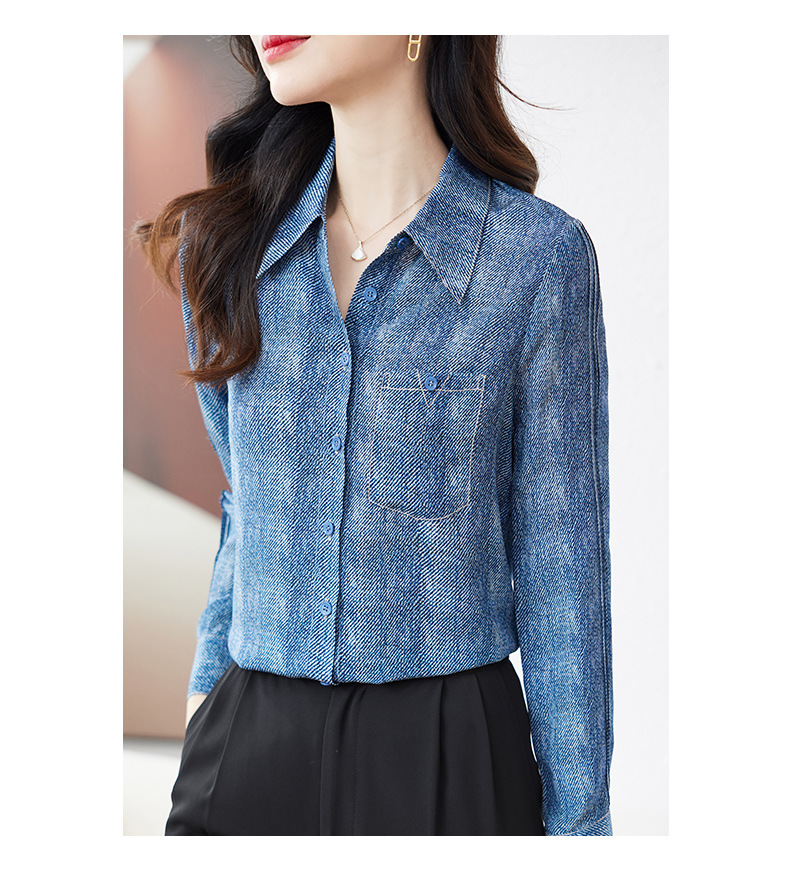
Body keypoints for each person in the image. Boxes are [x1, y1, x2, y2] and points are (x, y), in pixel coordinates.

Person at [133, 34, 614, 836]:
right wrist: (203, 700)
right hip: (247, 738)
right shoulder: (225, 252)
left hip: (448, 751)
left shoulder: (536, 261)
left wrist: (582, 832)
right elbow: (245, 508)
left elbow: (563, 576)